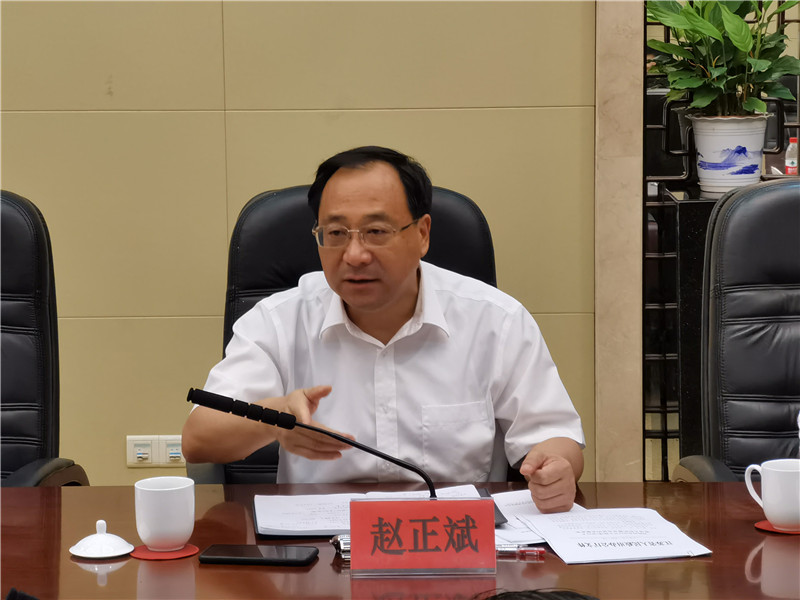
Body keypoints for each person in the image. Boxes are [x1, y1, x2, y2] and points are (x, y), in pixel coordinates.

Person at [182, 146, 585, 513]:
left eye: (376, 232)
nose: (355, 255)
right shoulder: (278, 320)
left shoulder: (496, 320)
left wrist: (555, 466)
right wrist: (274, 417)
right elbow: (199, 441)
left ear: (422, 234)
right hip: (321, 546)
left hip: (456, 541)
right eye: (335, 234)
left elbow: (553, 436)